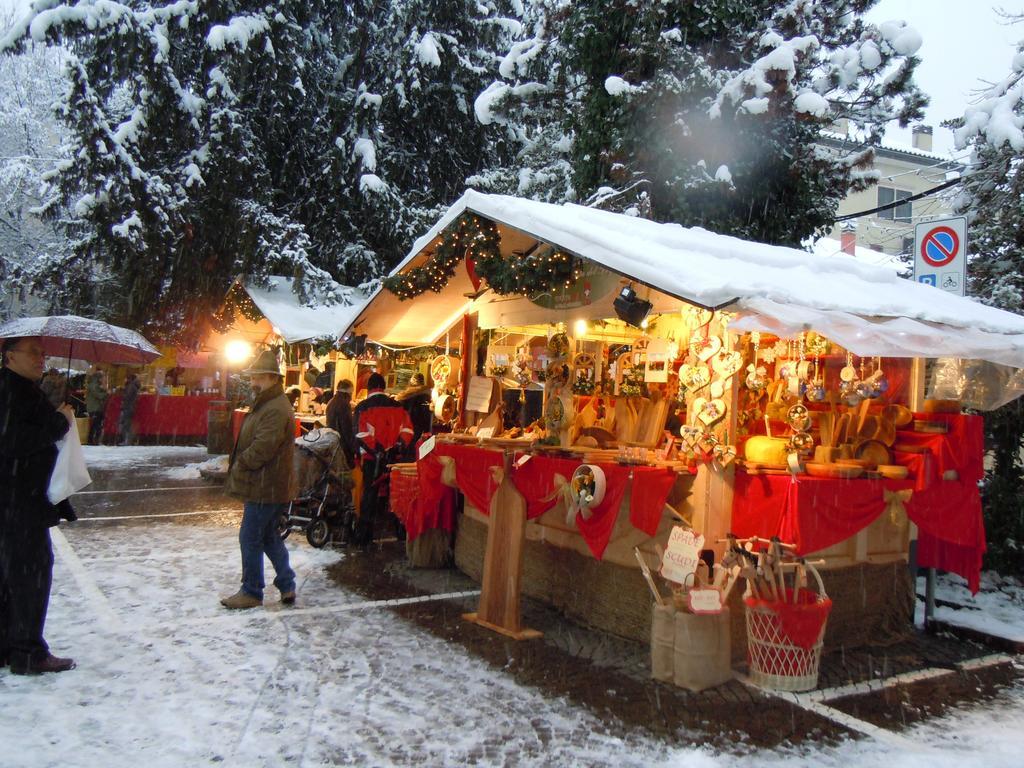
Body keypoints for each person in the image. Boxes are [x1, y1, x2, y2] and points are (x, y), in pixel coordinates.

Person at [0, 336, 77, 675]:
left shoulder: (18, 388)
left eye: (43, 353)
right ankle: (28, 651)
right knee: (30, 576)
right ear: (9, 356)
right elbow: (14, 441)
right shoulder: (12, 391)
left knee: (11, 577)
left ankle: (10, 645)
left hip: (15, 501)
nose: (41, 358)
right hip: (19, 502)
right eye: (34, 352)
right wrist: (59, 421)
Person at [221, 349, 296, 609]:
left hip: (265, 485)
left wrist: (241, 463)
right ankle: (287, 584)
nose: (253, 382)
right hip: (269, 484)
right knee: (268, 538)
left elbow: (264, 447)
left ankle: (252, 591)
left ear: (271, 378)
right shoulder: (269, 403)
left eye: (258, 378)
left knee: (250, 537)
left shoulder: (274, 407)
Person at [351, 373, 413, 546]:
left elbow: (360, 435)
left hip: (372, 459)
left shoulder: (362, 407)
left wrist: (378, 451)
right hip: (395, 460)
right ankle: (400, 534)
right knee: (396, 495)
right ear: (384, 387)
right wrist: (395, 449)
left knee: (370, 496)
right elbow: (408, 431)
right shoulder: (398, 406)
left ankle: (364, 536)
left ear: (369, 388)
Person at [326, 379, 357, 467]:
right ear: (349, 391)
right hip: (342, 448)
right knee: (344, 476)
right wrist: (353, 449)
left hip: (333, 445)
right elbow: (347, 429)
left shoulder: (331, 402)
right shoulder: (344, 404)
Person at [395, 372, 432, 445]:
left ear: (411, 382)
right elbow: (428, 415)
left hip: (407, 429)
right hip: (421, 430)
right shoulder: (427, 395)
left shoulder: (403, 396)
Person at [85, 367, 108, 445]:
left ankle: (93, 440)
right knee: (95, 425)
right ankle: (92, 440)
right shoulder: (93, 385)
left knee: (96, 424)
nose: (103, 379)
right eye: (102, 377)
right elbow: (99, 396)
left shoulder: (96, 385)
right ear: (98, 378)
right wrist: (106, 392)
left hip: (97, 408)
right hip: (94, 408)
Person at [118, 373, 140, 445]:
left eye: (125, 378)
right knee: (127, 424)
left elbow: (127, 397)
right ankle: (129, 440)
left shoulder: (131, 386)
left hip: (127, 407)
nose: (124, 380)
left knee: (125, 424)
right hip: (130, 407)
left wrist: (122, 393)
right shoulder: (133, 386)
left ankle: (126, 440)